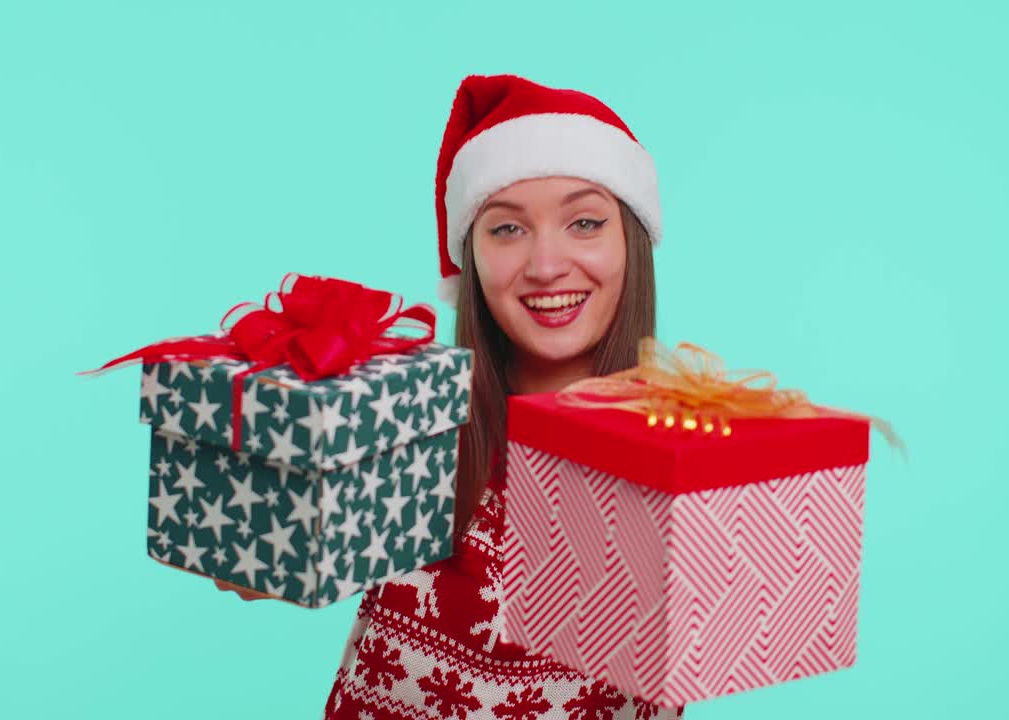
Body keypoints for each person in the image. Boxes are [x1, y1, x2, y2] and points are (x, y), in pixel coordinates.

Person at [223, 73, 681, 719]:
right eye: (507, 229)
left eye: (584, 222)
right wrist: (260, 520)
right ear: (471, 256)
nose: (546, 266)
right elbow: (262, 559)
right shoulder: (411, 422)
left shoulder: (691, 457)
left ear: (630, 241)